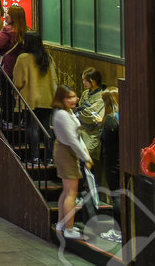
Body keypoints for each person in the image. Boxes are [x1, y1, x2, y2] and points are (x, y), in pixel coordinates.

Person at [53, 84, 94, 240]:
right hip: (66, 153)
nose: (74, 100)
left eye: (74, 96)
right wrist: (85, 157)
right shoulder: (62, 115)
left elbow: (76, 138)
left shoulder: (66, 113)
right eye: (69, 97)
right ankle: (68, 229)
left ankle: (61, 224)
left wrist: (85, 153)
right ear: (61, 99)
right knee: (71, 192)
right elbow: (72, 140)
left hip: (67, 151)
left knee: (66, 191)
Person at [13, 31, 56, 169]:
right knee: (45, 128)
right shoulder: (47, 58)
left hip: (30, 98)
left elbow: (18, 81)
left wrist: (16, 93)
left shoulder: (23, 58)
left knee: (32, 127)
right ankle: (49, 158)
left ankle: (35, 157)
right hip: (47, 97)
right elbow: (54, 79)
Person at [99, 88, 123, 244]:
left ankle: (118, 231)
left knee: (116, 196)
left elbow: (105, 139)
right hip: (125, 160)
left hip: (113, 161)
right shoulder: (128, 116)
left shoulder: (111, 119)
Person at [77, 67, 107, 171]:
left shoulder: (102, 96)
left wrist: (81, 111)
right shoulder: (85, 93)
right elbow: (80, 110)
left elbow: (91, 116)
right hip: (81, 130)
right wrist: (81, 111)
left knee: (86, 159)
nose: (84, 82)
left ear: (93, 81)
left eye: (86, 80)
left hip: (93, 134)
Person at [0, 5, 29, 78]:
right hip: (21, 65)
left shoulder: (7, 30)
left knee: (6, 86)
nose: (6, 15)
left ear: (13, 17)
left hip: (7, 65)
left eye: (8, 13)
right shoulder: (26, 30)